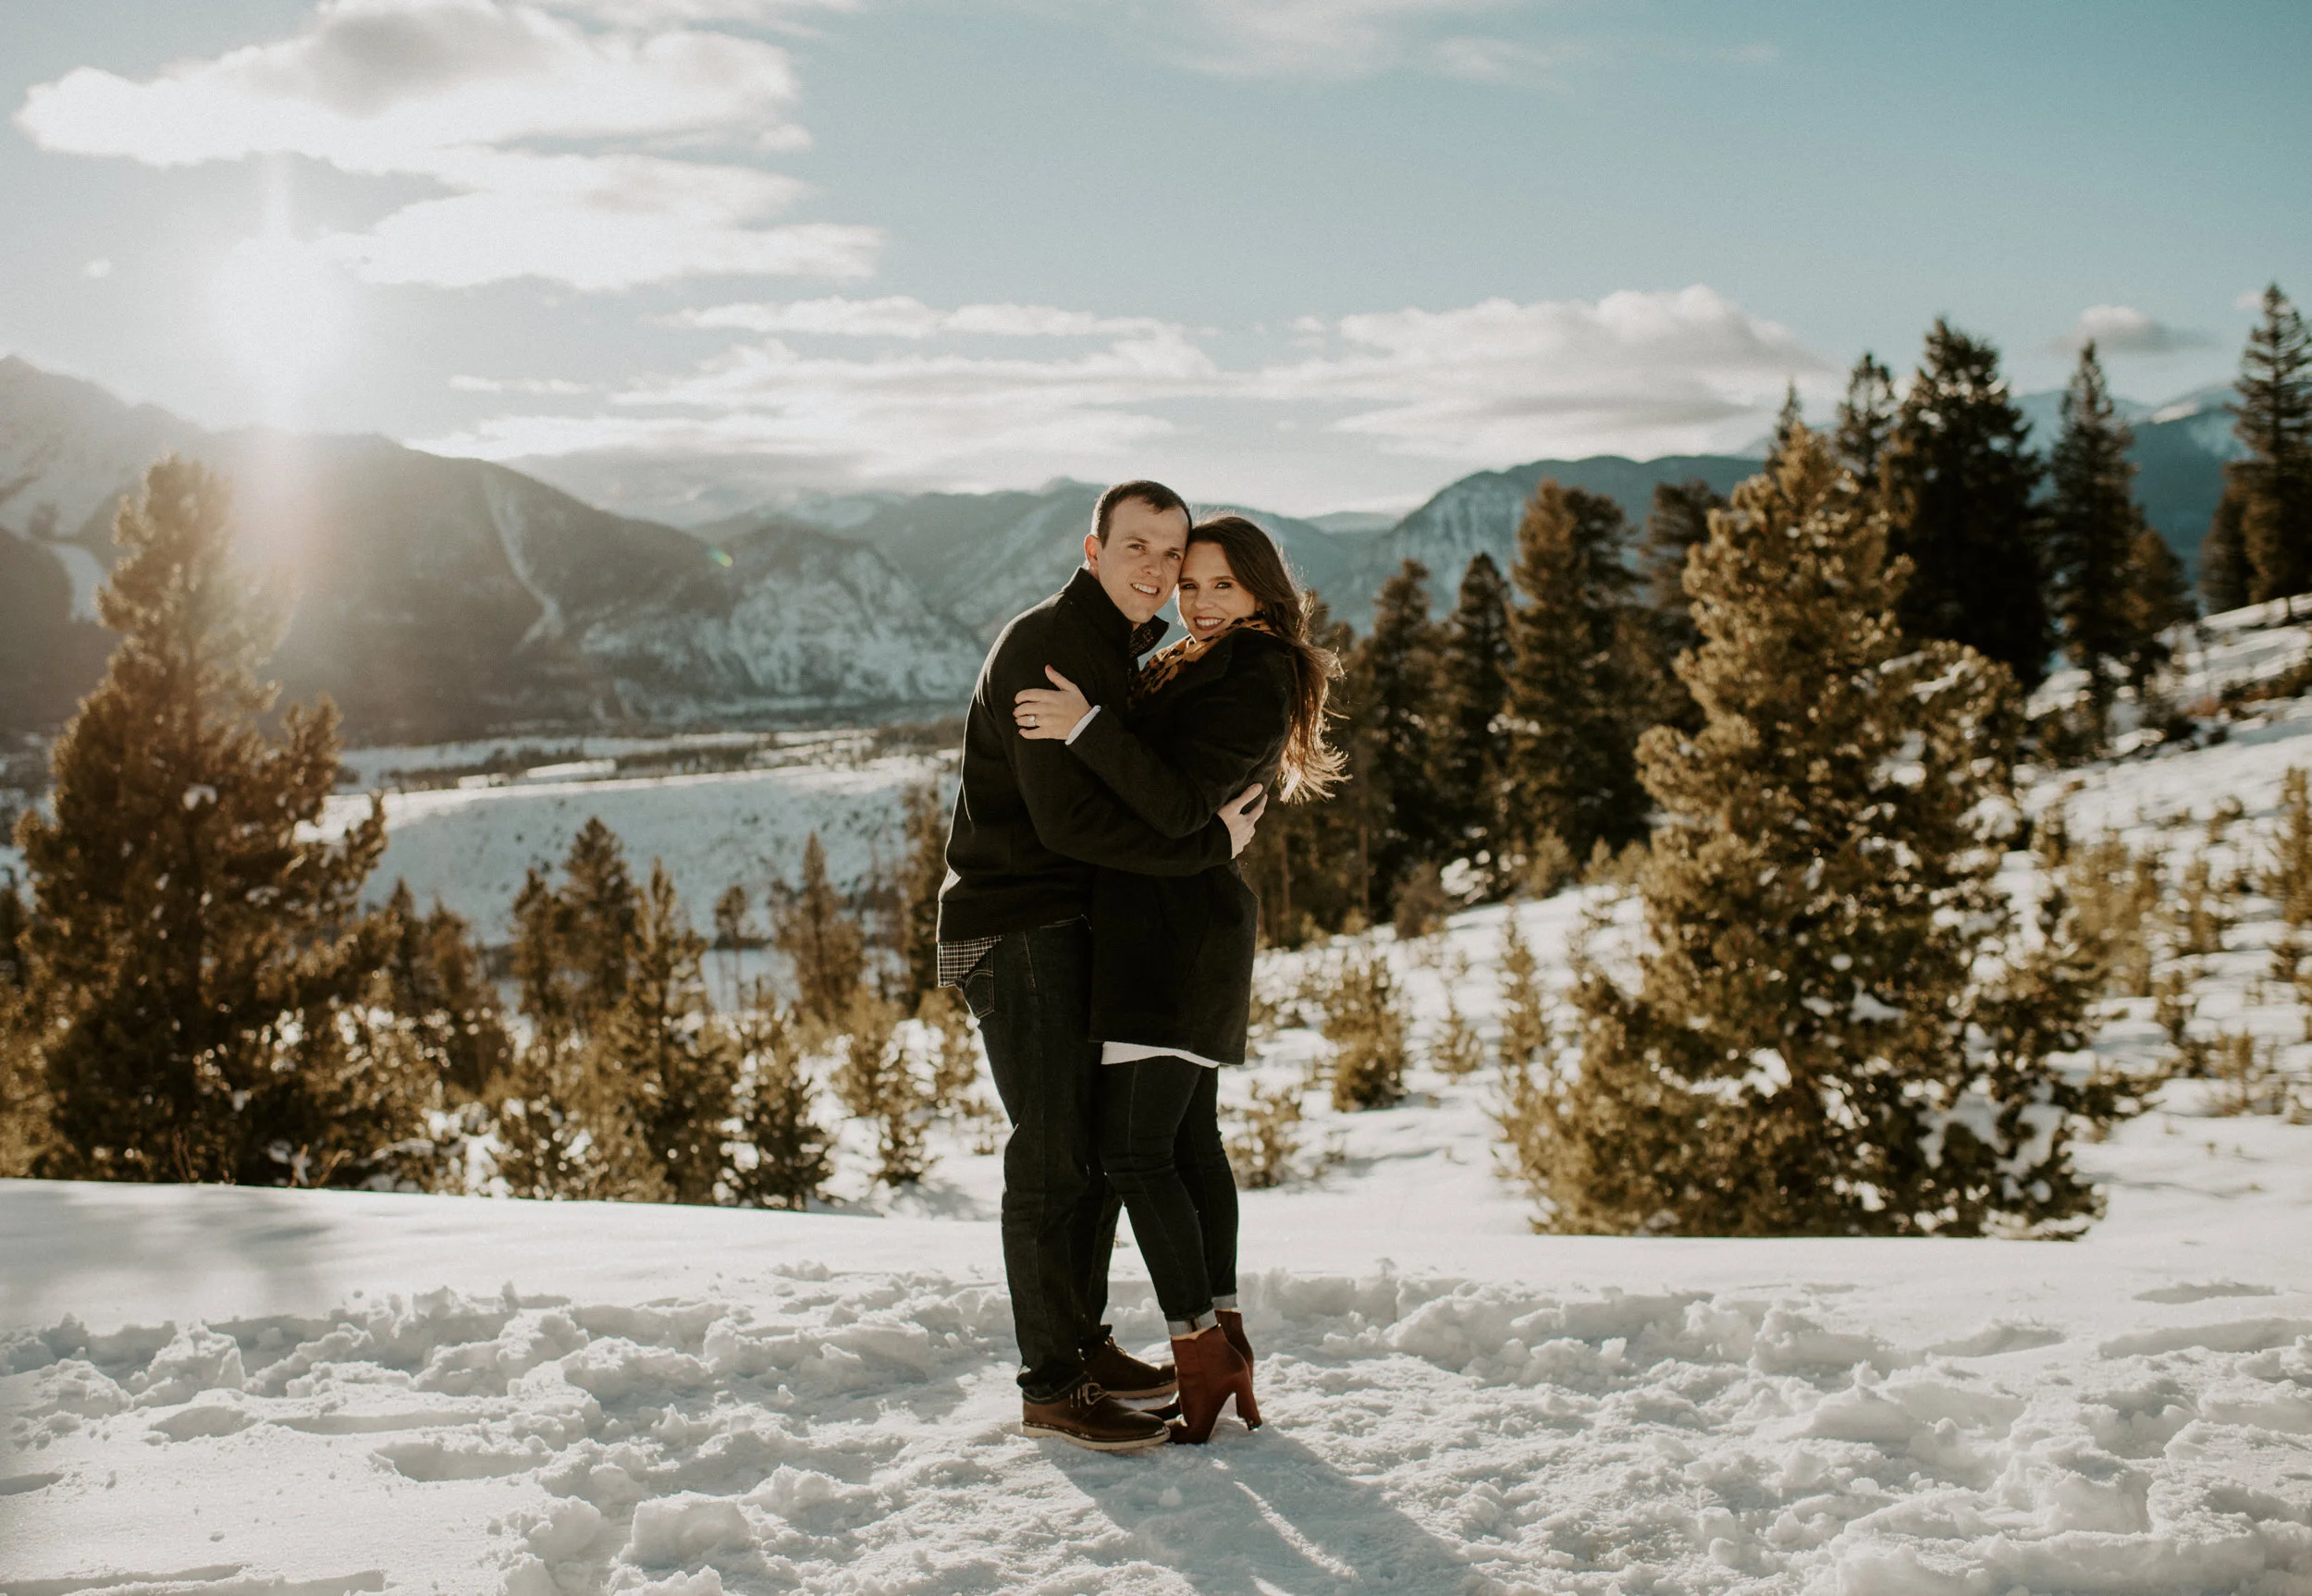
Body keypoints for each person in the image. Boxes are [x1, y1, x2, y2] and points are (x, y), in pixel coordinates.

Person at [936, 480, 1268, 1454]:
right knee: (1051, 1158)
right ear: (1093, 550)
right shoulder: (1053, 645)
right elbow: (1068, 823)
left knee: (1085, 1153)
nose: (1156, 569)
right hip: (1014, 924)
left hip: (1064, 926)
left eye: (1171, 553)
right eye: (1136, 546)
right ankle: (1049, 1383)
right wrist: (1207, 843)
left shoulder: (1117, 652)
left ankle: (1079, 1345)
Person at [1012, 514, 1345, 1443]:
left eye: (1220, 588)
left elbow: (1175, 802)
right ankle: (1221, 1338)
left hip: (1173, 937)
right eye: (1188, 585)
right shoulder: (1205, 664)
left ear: (1261, 595)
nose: (1196, 602)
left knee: (1134, 1153)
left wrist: (1081, 727)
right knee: (1189, 1143)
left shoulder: (1250, 671)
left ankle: (1200, 1346)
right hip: (1174, 929)